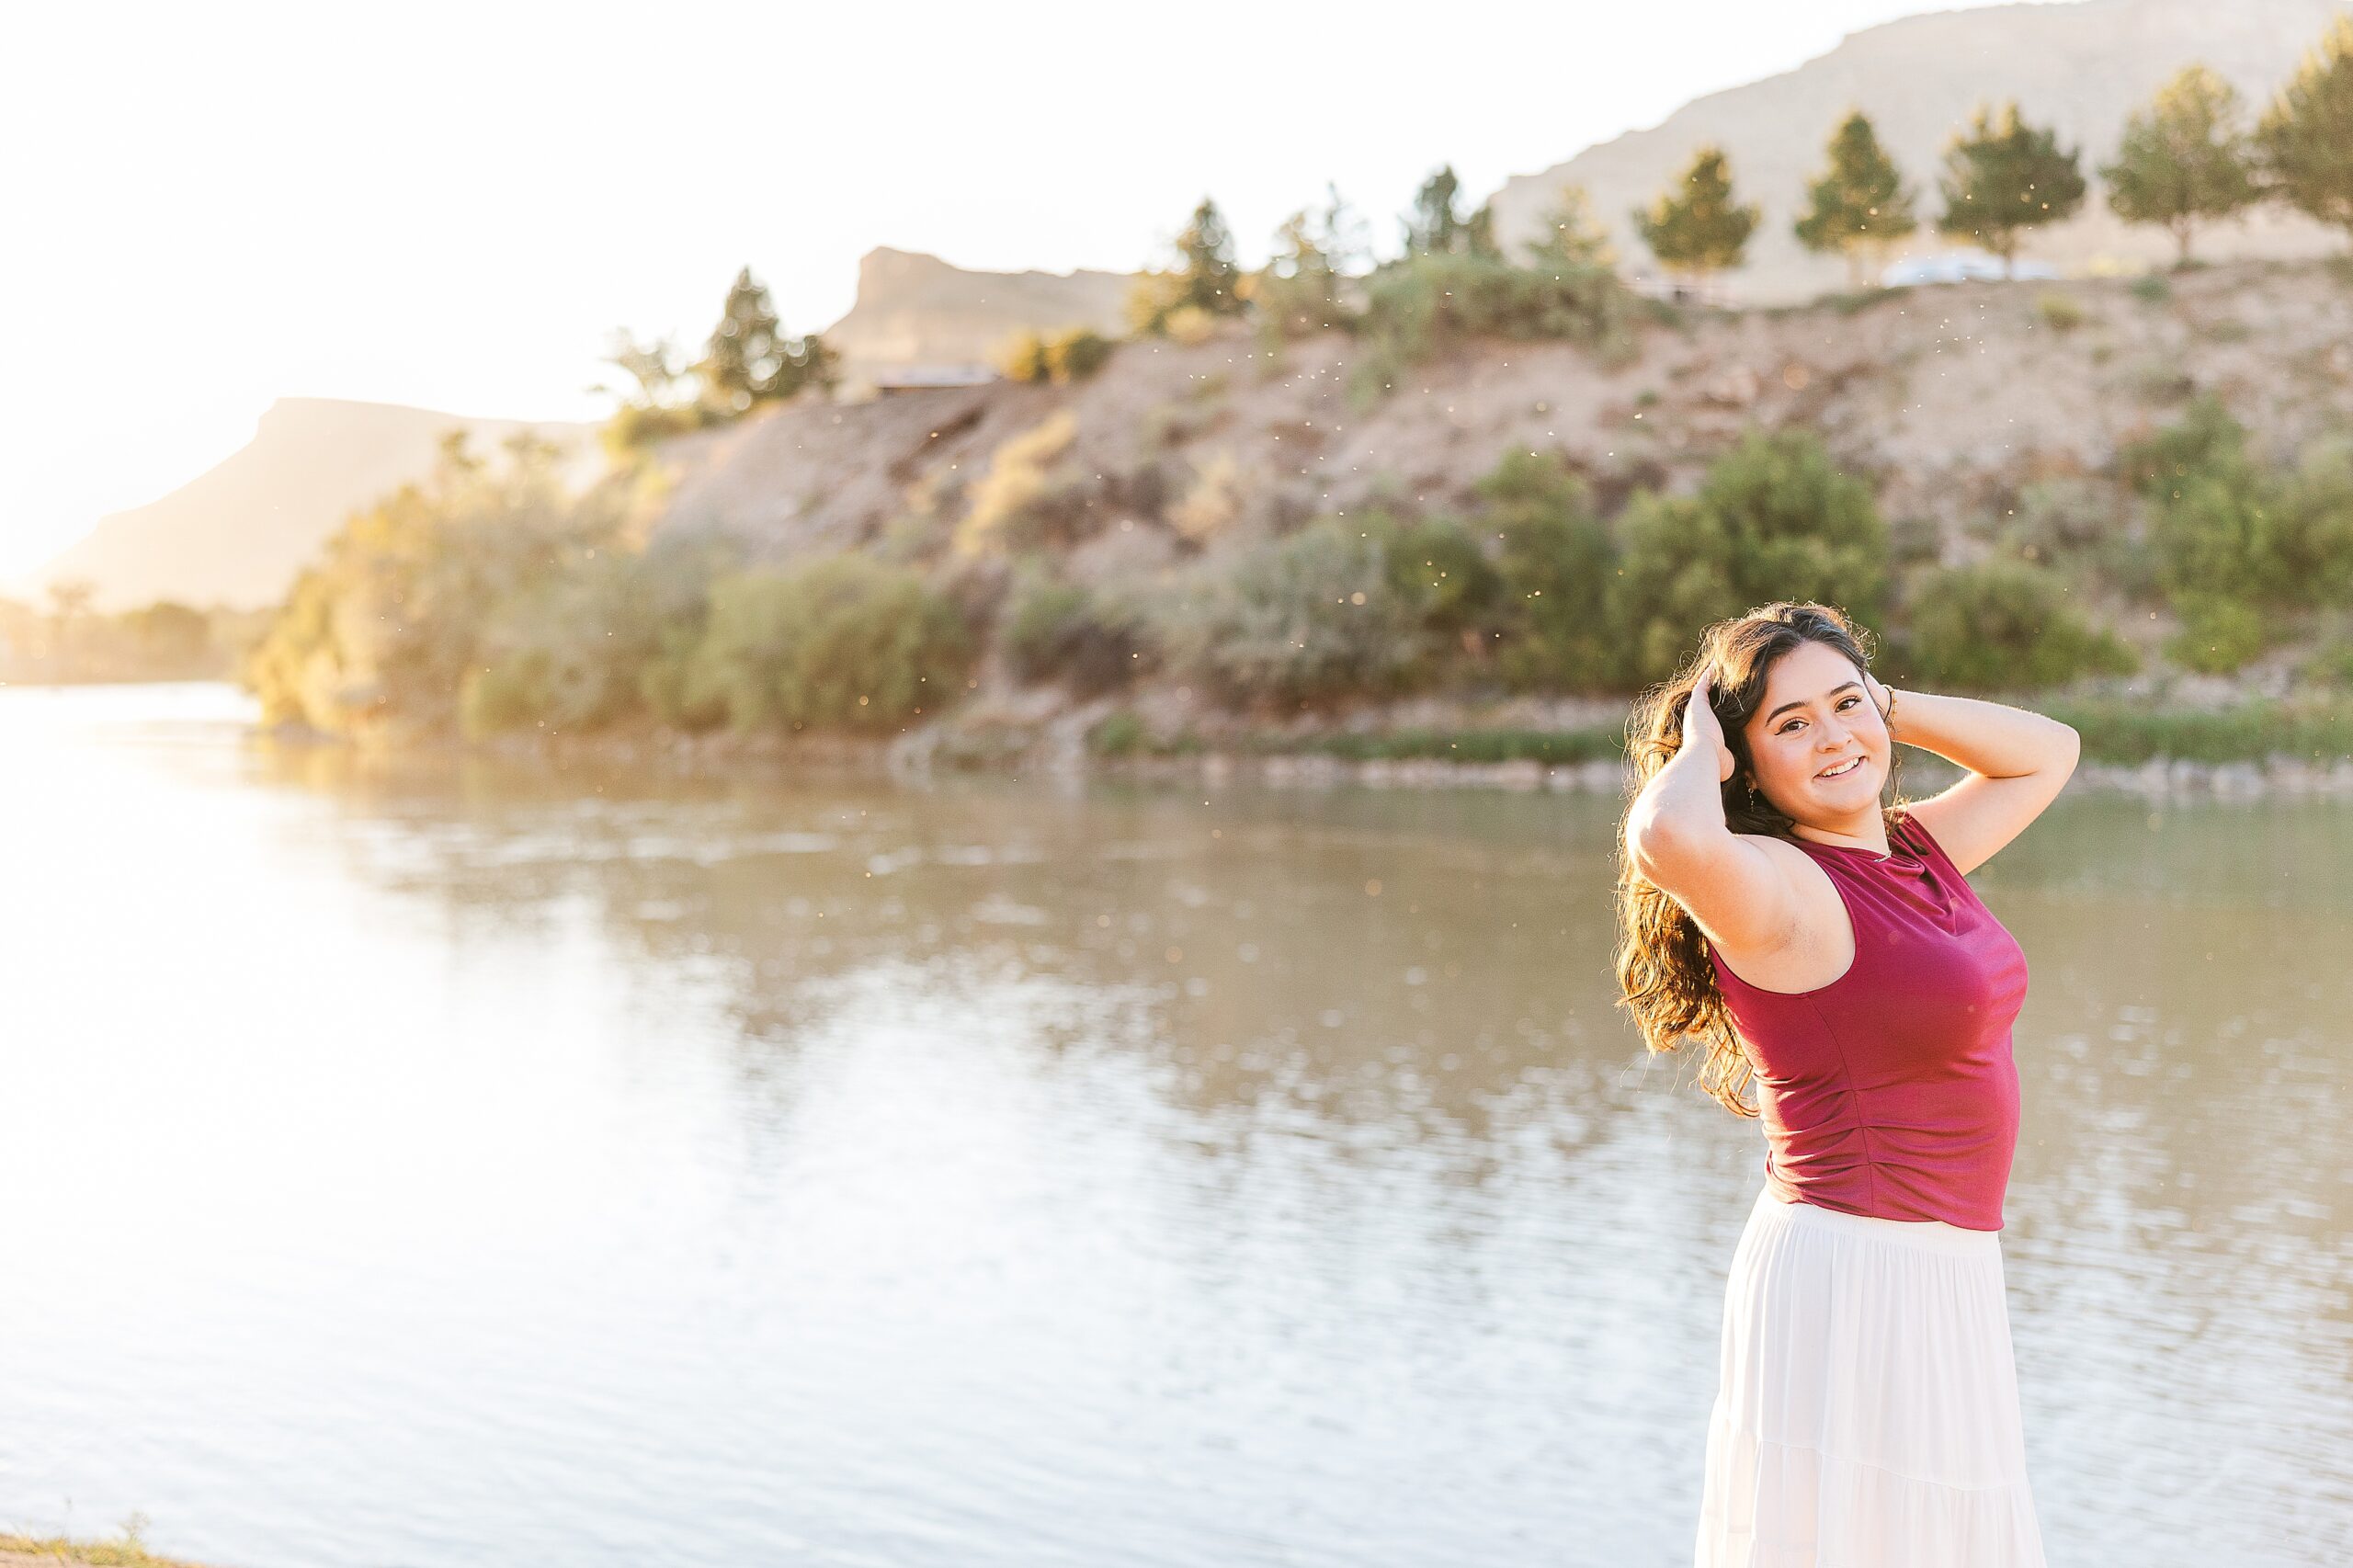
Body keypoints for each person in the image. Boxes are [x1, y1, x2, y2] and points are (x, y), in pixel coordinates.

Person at [1614, 601, 2080, 1568]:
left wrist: (1886, 702)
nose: (1832, 737)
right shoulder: (1780, 886)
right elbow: (1664, 834)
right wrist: (1700, 748)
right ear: (1749, 763)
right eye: (1791, 724)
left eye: (1845, 704)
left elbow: (2048, 751)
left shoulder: (1914, 851)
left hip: (1941, 1266)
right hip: (1857, 1270)